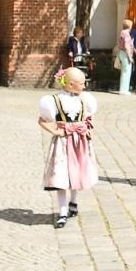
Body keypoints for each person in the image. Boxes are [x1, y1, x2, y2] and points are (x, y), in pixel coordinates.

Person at [38, 66, 99, 226]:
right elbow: (42, 120)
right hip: (63, 143)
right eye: (82, 83)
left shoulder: (85, 99)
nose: (84, 86)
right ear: (71, 84)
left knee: (77, 172)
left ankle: (73, 202)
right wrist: (56, 132)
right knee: (61, 175)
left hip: (80, 141)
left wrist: (86, 126)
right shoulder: (53, 101)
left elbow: (90, 117)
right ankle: (63, 211)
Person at [115, 20, 136, 95]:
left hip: (122, 52)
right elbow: (126, 46)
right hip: (125, 53)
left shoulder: (122, 32)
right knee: (126, 72)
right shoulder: (126, 33)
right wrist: (130, 57)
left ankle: (123, 89)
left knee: (124, 71)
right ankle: (124, 90)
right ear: (130, 26)